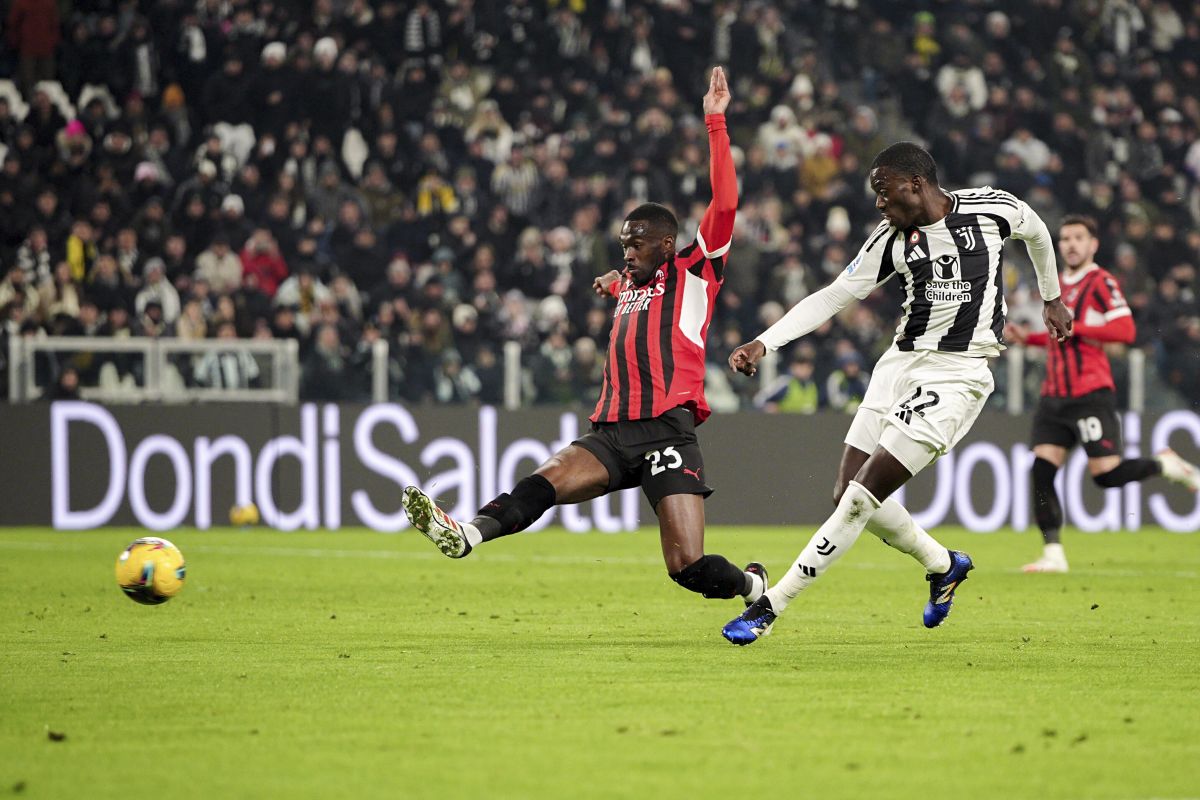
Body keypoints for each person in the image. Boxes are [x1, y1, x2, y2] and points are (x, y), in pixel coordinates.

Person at [401, 67, 770, 610]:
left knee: (687, 567)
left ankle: (754, 586)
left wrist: (715, 122)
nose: (627, 251)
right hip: (613, 430)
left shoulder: (696, 270)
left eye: (638, 243)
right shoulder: (631, 280)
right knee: (544, 480)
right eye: (623, 243)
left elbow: (727, 202)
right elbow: (630, 281)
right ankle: (466, 534)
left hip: (668, 431)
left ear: (668, 244)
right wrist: (617, 277)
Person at [722, 141, 1074, 646]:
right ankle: (943, 565)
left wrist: (1052, 298)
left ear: (916, 183)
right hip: (898, 366)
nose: (879, 204)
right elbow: (834, 295)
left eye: (883, 192)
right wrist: (765, 341)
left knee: (861, 499)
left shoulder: (992, 208)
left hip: (957, 373)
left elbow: (1038, 232)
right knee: (846, 493)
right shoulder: (890, 240)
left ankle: (770, 606)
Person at [1005, 214, 1198, 573]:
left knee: (1105, 476)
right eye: (1065, 239)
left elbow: (1125, 330)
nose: (1071, 244)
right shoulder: (1056, 286)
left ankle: (1165, 465)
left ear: (1093, 244)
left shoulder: (1101, 281)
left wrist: (1078, 326)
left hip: (1090, 393)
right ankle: (1053, 554)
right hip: (1053, 397)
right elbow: (1059, 338)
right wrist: (1028, 338)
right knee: (1041, 472)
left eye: (1079, 238)